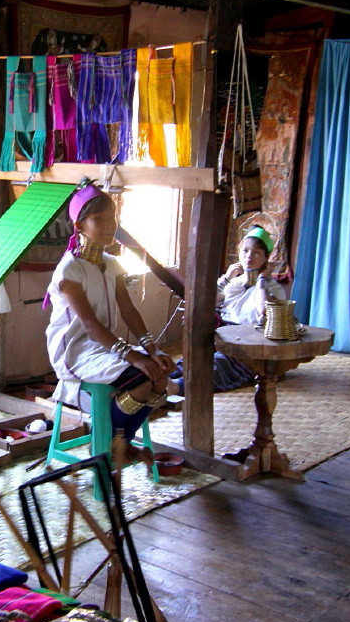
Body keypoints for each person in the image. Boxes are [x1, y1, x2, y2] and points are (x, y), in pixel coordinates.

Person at [45, 184, 175, 463]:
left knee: (160, 374)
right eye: (99, 219)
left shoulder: (112, 264)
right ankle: (112, 446)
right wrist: (133, 357)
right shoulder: (70, 270)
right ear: (79, 225)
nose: (108, 225)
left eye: (112, 217)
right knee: (142, 378)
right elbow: (90, 324)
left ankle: (118, 443)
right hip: (74, 351)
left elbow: (127, 309)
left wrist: (151, 349)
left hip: (104, 344)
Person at [169, 225, 287, 395]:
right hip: (223, 338)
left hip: (248, 345)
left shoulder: (271, 289)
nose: (249, 257)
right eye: (245, 251)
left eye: (256, 253)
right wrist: (226, 278)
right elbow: (207, 302)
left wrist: (262, 281)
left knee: (218, 364)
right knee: (192, 359)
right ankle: (157, 381)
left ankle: (176, 387)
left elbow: (264, 311)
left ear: (265, 259)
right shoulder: (233, 283)